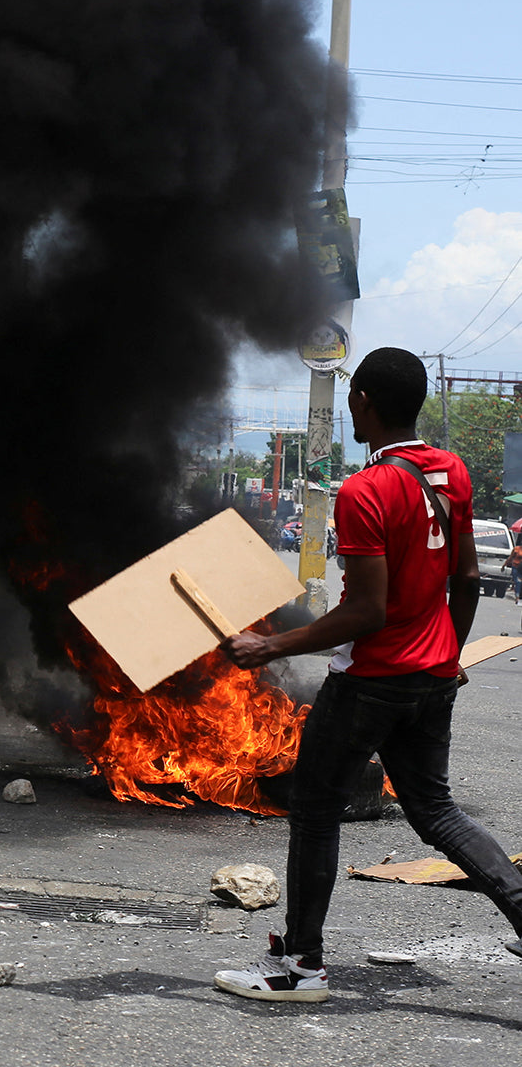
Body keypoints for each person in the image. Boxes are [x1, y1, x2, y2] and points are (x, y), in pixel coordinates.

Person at [216, 347, 522, 1004]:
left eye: (354, 397)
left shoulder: (366, 490)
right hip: (433, 676)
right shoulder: (452, 473)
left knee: (315, 807)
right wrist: (450, 654)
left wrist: (270, 646)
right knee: (437, 812)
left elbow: (366, 610)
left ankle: (299, 968)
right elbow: (466, 579)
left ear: (363, 403)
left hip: (371, 682)